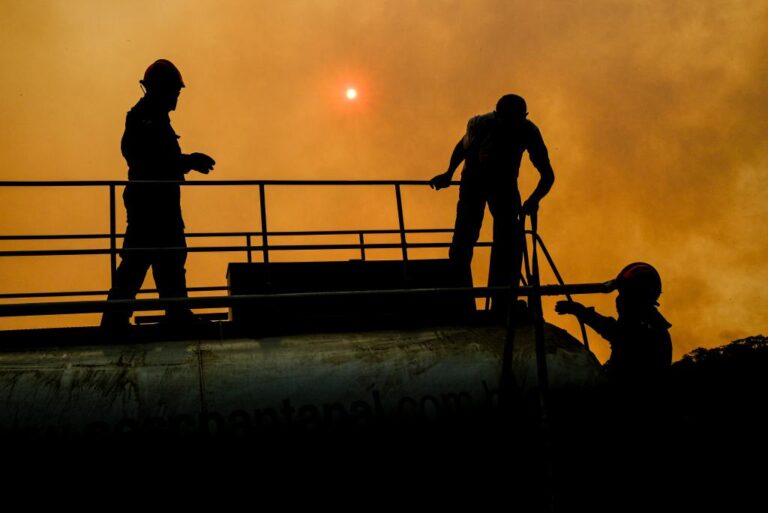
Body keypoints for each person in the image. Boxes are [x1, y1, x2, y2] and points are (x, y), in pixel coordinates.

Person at [101, 59, 215, 330]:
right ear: (159, 89)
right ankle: (118, 318)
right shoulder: (145, 118)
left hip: (157, 201)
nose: (176, 97)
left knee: (167, 257)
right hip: (150, 203)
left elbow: (155, 158)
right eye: (173, 91)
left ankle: (167, 314)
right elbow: (151, 159)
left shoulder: (151, 118)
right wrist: (188, 161)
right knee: (143, 260)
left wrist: (185, 162)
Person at [429, 94, 555, 311]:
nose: (510, 125)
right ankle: (458, 298)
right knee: (464, 239)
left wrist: (534, 200)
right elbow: (462, 147)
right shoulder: (482, 124)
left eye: (515, 120)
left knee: (507, 243)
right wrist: (449, 173)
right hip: (474, 184)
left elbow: (547, 175)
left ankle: (503, 300)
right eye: (506, 119)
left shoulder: (528, 131)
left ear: (523, 117)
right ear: (497, 115)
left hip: (504, 187)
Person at [555, 262, 673, 383]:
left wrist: (579, 310)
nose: (620, 301)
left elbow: (616, 332)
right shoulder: (652, 324)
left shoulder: (648, 329)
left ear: (636, 298)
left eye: (625, 295)